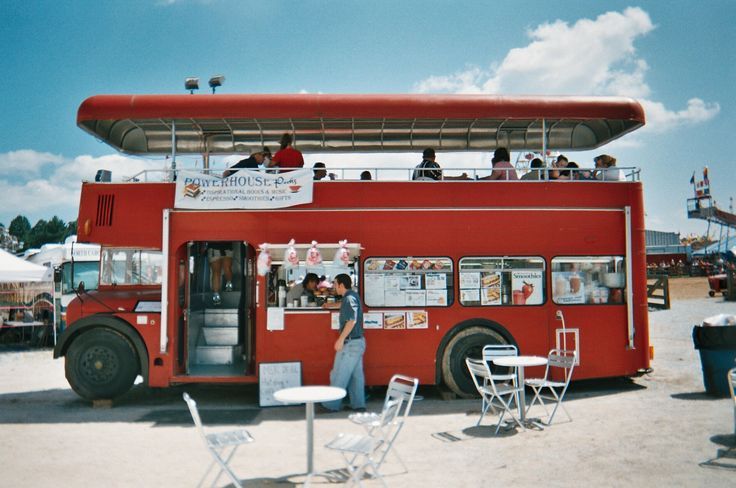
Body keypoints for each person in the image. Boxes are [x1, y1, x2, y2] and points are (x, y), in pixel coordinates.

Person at [321, 273, 365, 412]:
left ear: (341, 285)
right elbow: (345, 305)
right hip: (358, 343)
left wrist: (340, 340)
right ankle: (358, 405)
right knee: (356, 376)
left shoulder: (349, 298)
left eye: (335, 284)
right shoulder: (352, 296)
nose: (334, 287)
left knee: (339, 374)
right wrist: (331, 305)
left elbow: (351, 320)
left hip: (350, 343)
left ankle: (331, 405)